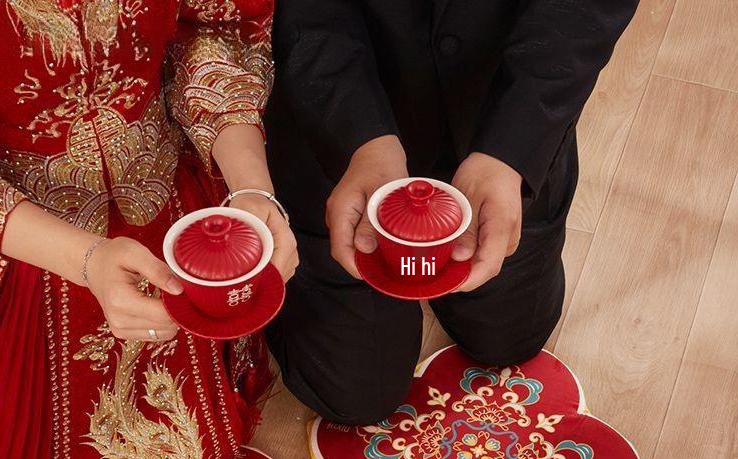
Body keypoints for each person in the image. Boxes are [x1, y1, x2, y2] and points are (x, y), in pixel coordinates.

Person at [0, 0, 297, 459]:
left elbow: (212, 29)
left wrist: (252, 193)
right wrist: (85, 259)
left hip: (169, 206)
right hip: (7, 242)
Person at [265, 0, 638, 425]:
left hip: (498, 113)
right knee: (354, 397)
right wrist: (358, 137)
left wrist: (512, 150)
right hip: (343, 130)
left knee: (512, 339)